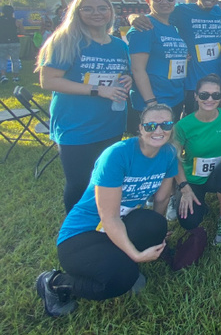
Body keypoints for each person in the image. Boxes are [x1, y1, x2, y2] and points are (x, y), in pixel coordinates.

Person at [36, 104, 178, 317]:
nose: (158, 131)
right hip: (82, 236)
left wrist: (156, 235)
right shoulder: (117, 155)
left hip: (119, 224)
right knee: (120, 280)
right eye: (150, 125)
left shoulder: (168, 153)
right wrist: (136, 255)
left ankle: (121, 262)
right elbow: (109, 217)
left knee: (155, 223)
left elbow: (162, 197)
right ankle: (55, 282)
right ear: (140, 128)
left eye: (165, 124)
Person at [37, 0, 132, 213]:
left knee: (106, 178)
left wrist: (128, 79)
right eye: (87, 8)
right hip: (75, 125)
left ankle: (104, 220)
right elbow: (48, 81)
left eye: (102, 8)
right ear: (76, 12)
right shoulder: (65, 40)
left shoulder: (120, 45)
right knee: (79, 183)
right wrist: (97, 90)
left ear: (111, 12)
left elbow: (122, 75)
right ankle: (76, 231)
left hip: (111, 123)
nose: (96, 13)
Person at [131, 0, 221, 116]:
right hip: (191, 86)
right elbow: (156, 14)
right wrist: (133, 17)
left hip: (214, 84)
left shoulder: (220, 14)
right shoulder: (181, 11)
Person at [174, 75, 221, 244]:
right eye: (204, 95)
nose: (210, 99)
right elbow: (174, 159)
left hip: (220, 176)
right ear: (196, 96)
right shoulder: (183, 126)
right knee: (188, 221)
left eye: (216, 95)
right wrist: (184, 188)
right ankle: (201, 206)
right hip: (193, 180)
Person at [127, 0, 187, 133]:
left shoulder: (173, 27)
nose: (164, 2)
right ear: (148, 1)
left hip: (175, 98)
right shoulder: (145, 27)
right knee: (151, 147)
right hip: (154, 101)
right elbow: (137, 68)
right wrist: (151, 102)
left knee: (168, 144)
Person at [0, 5, 24, 83]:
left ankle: (3, 76)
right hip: (14, 42)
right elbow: (22, 32)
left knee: (2, 59)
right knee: (15, 60)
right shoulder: (17, 21)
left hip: (2, 42)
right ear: (12, 12)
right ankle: (15, 77)